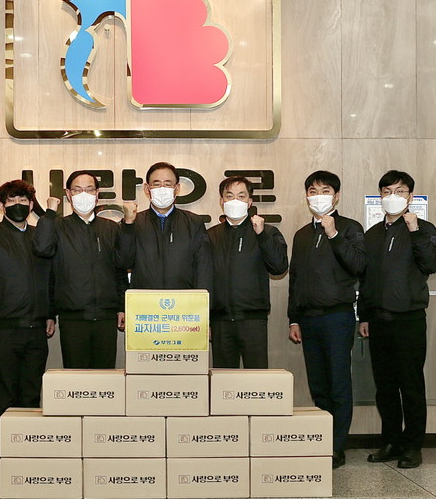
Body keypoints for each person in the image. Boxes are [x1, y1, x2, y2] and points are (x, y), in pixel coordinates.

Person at [359, 170, 436, 469]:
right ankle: (392, 441)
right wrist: (364, 316)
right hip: (378, 320)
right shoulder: (372, 234)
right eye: (387, 191)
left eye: (400, 191)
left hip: (409, 320)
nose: (393, 196)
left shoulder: (424, 228)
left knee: (411, 385)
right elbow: (366, 279)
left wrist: (415, 230)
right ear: (380, 196)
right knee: (385, 387)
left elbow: (432, 264)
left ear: (411, 196)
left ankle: (413, 446)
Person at [287, 170, 366, 469]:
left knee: (338, 383)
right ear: (306, 196)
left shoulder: (349, 228)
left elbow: (358, 265)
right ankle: (321, 441)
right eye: (312, 191)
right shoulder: (301, 234)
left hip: (337, 318)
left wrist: (333, 234)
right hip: (308, 319)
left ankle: (337, 446)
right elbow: (295, 279)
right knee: (318, 384)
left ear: (336, 196)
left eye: (325, 190)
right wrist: (293, 319)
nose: (318, 196)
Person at [0, 180, 55, 431]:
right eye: (12, 200)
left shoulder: (40, 236)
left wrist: (50, 313)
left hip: (37, 327)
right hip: (5, 327)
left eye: (23, 200)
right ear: (2, 206)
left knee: (31, 391)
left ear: (31, 205)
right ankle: (7, 446)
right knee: (6, 392)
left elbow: (50, 277)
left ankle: (28, 444)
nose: (18, 205)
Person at [33, 171, 127, 369]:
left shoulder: (111, 228)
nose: (84, 194)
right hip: (72, 316)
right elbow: (42, 250)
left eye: (89, 189)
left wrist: (122, 307)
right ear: (68, 194)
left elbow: (119, 270)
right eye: (77, 190)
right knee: (76, 378)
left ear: (97, 194)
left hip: (106, 316)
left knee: (105, 378)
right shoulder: (58, 226)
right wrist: (49, 214)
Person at [207, 175, 288, 369]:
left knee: (256, 378)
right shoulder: (210, 236)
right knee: (223, 380)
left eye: (241, 196)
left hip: (252, 320)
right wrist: (205, 318)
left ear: (250, 202)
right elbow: (202, 278)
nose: (235, 201)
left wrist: (262, 236)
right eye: (229, 196)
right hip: (220, 321)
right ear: (221, 201)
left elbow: (279, 267)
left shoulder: (267, 232)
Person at [120, 162, 213, 291]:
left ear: (177, 188)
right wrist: (128, 225)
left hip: (183, 299)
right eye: (157, 184)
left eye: (168, 184)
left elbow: (203, 268)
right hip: (145, 300)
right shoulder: (134, 223)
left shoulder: (194, 223)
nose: (162, 189)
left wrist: (202, 301)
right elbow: (124, 262)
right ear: (147, 189)